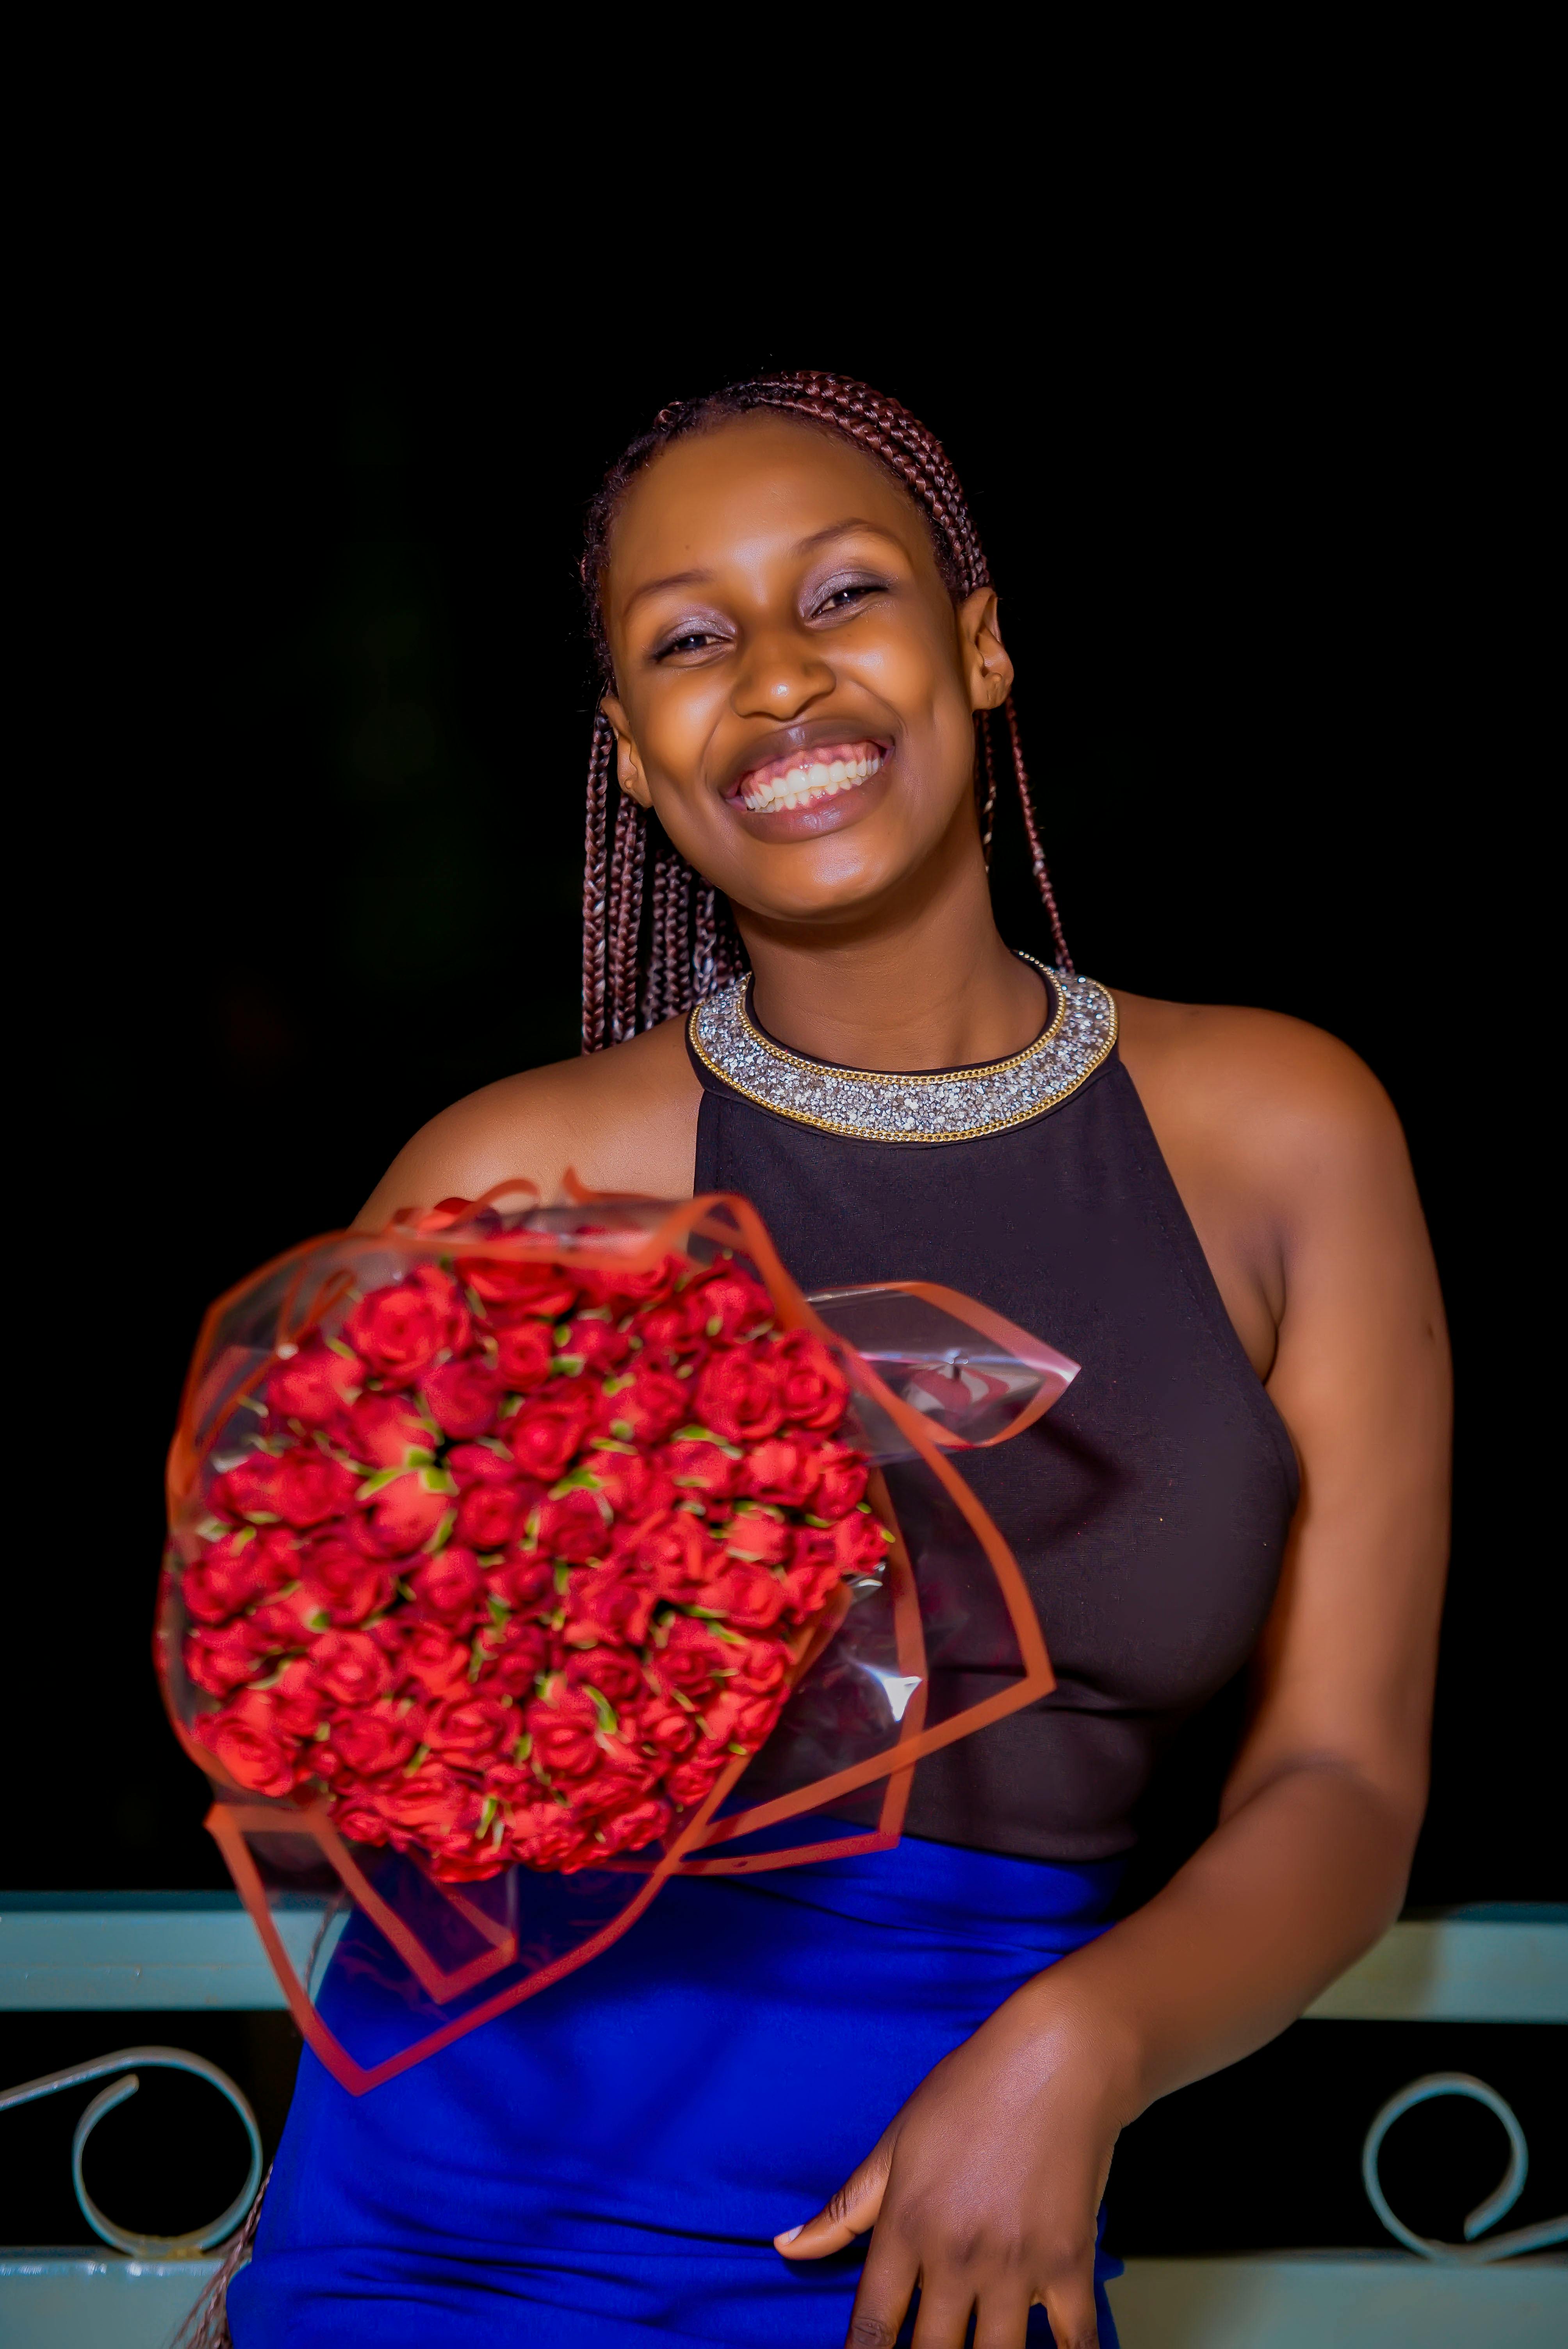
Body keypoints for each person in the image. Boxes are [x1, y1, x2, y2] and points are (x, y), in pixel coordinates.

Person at [226, 372, 1450, 2349]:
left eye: (844, 594)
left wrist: (1084, 2041)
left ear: (975, 641)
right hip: (464, 2218)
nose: (779, 679)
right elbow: (309, 1771)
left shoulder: (1287, 1133)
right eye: (691, 639)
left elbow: (1338, 1781)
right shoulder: (507, 1176)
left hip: (958, 2220)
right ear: (633, 755)